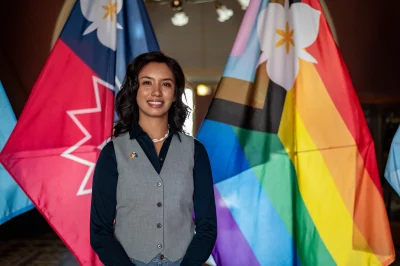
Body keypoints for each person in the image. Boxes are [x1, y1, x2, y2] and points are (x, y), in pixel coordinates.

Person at [90, 51, 217, 266]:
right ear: (134, 90)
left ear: (175, 93)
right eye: (147, 83)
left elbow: (207, 227)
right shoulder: (113, 153)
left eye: (166, 84)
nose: (156, 92)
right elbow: (99, 231)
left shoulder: (195, 152)